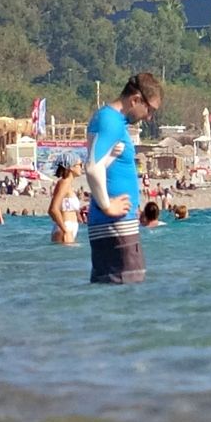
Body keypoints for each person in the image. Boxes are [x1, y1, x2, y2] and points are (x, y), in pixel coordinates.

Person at [85, 73, 162, 285]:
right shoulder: (111, 121)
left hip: (113, 227)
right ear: (135, 99)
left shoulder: (108, 119)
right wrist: (108, 206)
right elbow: (92, 167)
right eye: (150, 110)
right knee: (128, 295)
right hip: (116, 226)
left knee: (115, 297)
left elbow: (98, 163)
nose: (149, 117)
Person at [47, 153, 82, 244]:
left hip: (68, 227)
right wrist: (65, 230)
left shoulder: (68, 185)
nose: (81, 167)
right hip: (65, 228)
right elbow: (53, 209)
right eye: (80, 165)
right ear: (71, 167)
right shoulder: (64, 183)